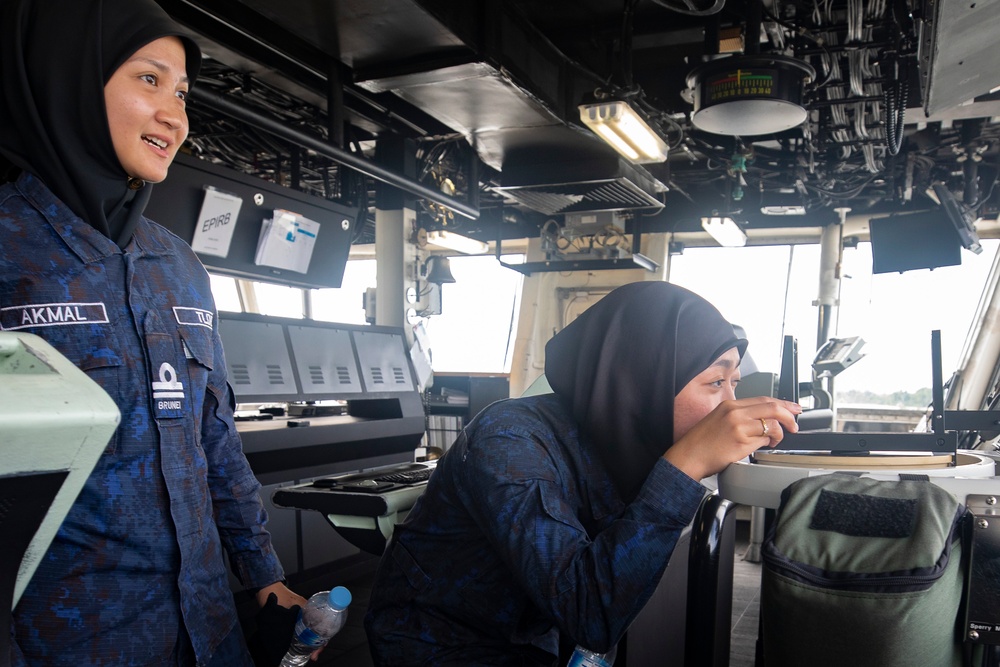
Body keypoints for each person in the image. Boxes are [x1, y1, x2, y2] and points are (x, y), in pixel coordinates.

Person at [0, 0, 310, 664]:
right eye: (148, 79)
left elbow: (214, 441)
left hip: (207, 632)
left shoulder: (180, 265)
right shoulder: (8, 247)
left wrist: (263, 574)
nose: (176, 114)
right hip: (67, 640)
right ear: (71, 79)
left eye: (182, 92)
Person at [364, 281, 802, 665]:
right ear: (644, 377)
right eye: (714, 383)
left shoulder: (631, 441)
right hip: (441, 642)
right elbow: (589, 611)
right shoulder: (509, 439)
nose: (728, 405)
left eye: (735, 384)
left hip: (538, 640)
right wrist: (686, 466)